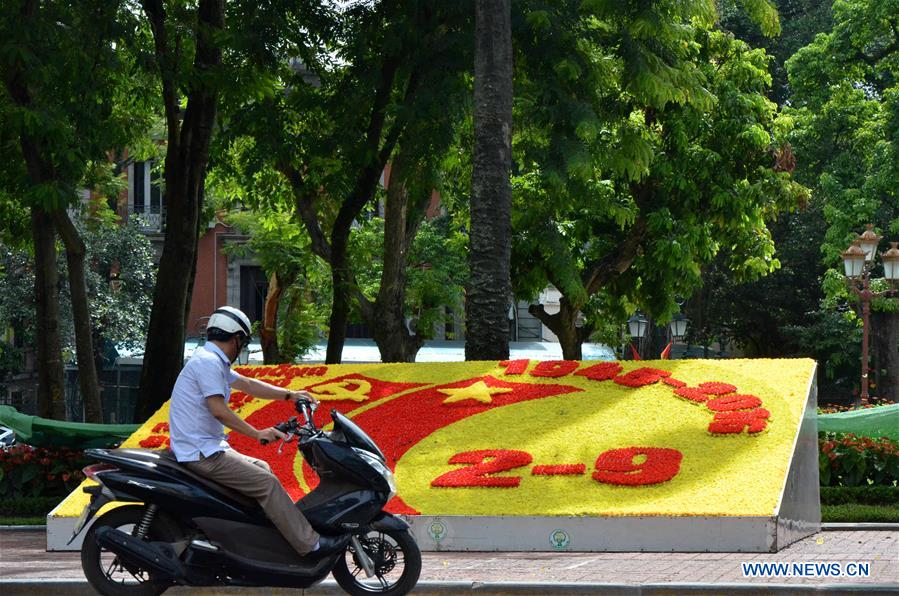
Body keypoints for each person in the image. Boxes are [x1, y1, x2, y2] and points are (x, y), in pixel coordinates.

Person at [168, 306, 346, 558]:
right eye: (243, 341)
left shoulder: (211, 360)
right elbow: (218, 410)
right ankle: (311, 546)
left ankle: (265, 539)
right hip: (202, 453)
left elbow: (248, 384)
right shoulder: (208, 363)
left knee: (263, 468)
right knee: (267, 484)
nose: (242, 347)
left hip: (206, 447)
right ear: (236, 338)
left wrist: (290, 395)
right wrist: (257, 433)